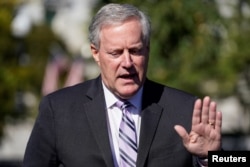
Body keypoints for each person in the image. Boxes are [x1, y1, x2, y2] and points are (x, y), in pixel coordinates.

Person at [23, 3, 222, 167]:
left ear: (148, 49)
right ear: (95, 53)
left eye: (135, 51)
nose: (127, 63)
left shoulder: (187, 109)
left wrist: (211, 156)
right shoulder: (58, 110)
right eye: (116, 53)